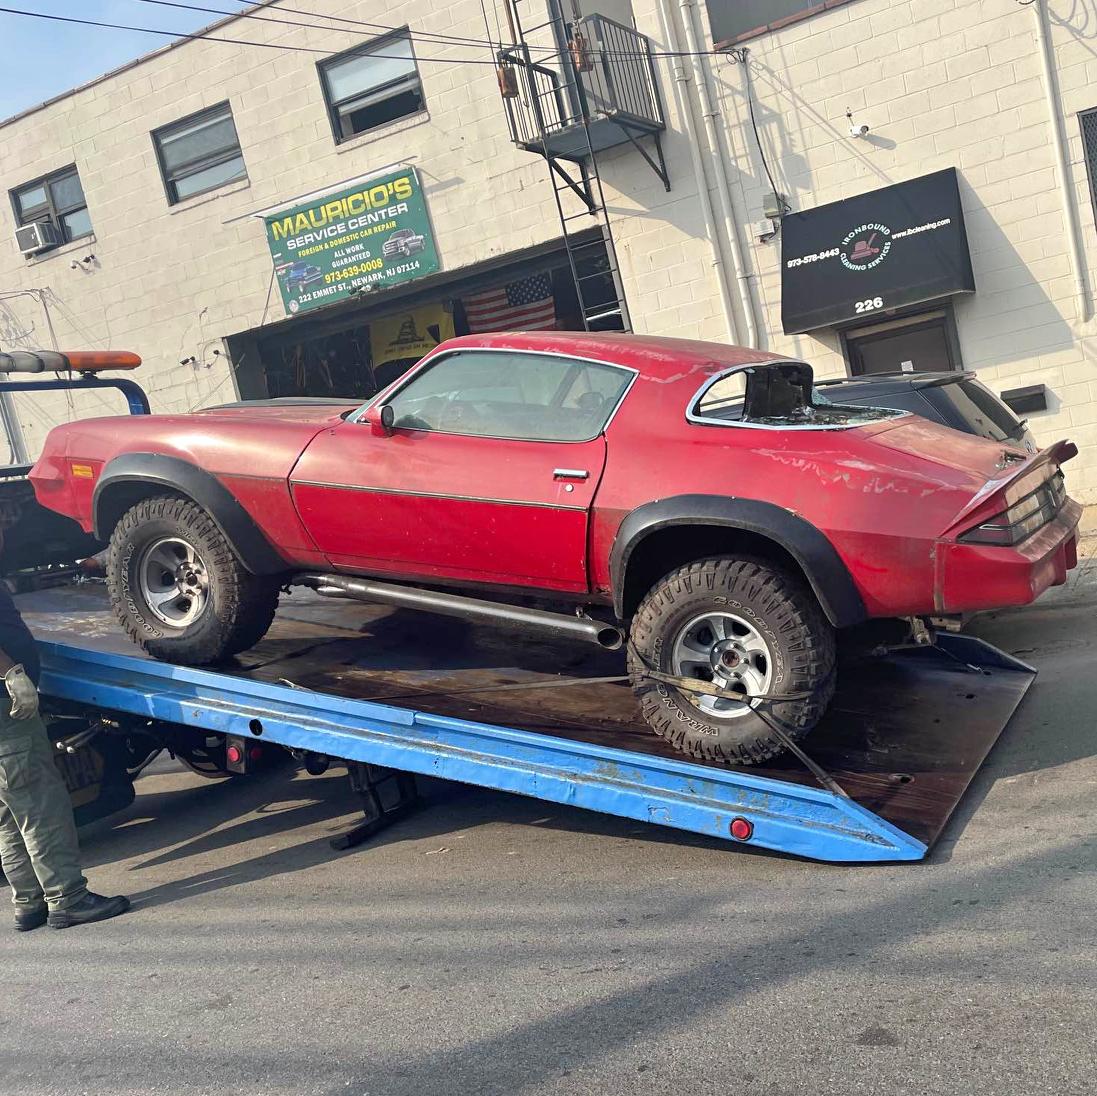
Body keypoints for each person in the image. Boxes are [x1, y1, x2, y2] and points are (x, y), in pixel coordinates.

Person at [0, 564, 130, 932]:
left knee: (10, 812)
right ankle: (67, 898)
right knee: (40, 805)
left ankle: (29, 901)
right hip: (5, 707)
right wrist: (9, 672)